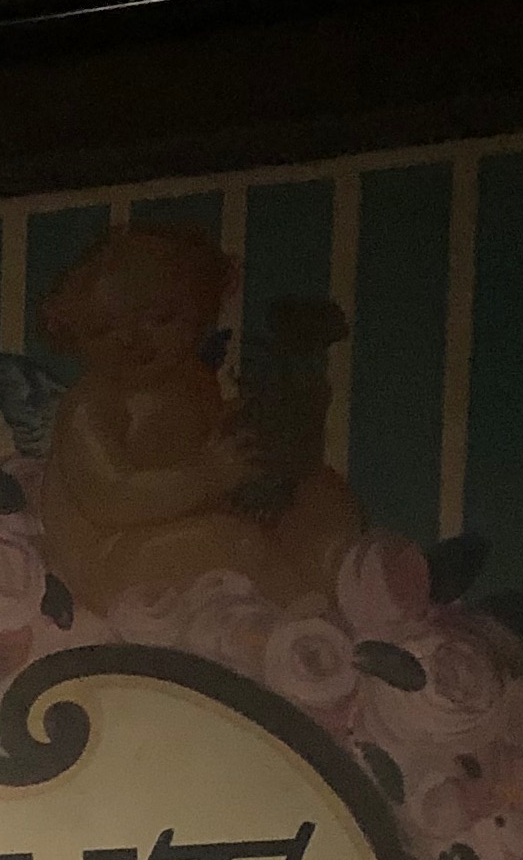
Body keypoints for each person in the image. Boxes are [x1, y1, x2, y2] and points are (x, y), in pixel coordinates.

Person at [34, 223, 361, 617]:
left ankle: (346, 579)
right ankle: (309, 620)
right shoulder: (90, 409)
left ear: (201, 312)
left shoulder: (193, 379)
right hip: (109, 558)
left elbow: (203, 439)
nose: (131, 340)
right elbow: (112, 498)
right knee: (231, 542)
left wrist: (259, 429)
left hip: (188, 516)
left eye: (160, 319)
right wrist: (207, 476)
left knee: (320, 492)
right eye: (103, 330)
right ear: (75, 336)